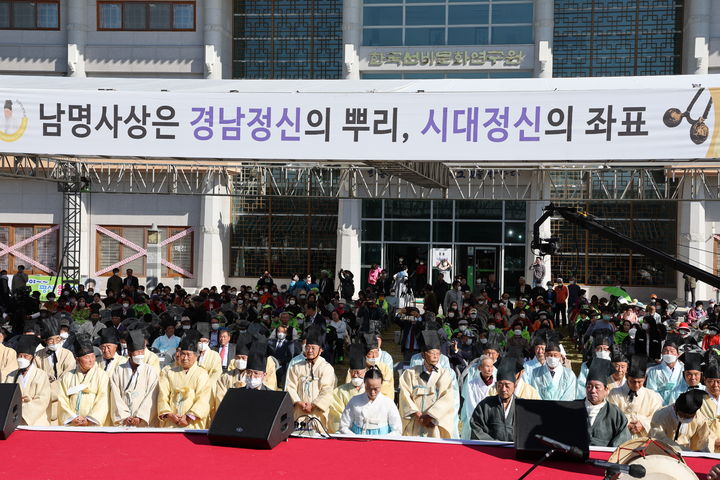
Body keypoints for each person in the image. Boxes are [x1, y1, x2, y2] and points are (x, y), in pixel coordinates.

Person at [398, 330, 456, 438]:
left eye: (438, 353)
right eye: (432, 353)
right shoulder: (410, 373)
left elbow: (447, 398)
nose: (436, 356)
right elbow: (404, 395)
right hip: (415, 422)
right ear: (423, 354)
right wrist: (417, 414)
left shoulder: (444, 374)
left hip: (434, 423)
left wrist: (430, 416)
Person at [285, 326, 336, 429]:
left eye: (313, 348)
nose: (310, 350)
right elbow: (290, 387)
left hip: (317, 413)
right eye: (307, 347)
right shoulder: (296, 366)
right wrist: (299, 402)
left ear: (321, 350)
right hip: (299, 411)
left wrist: (313, 405)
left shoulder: (326, 368)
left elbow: (327, 390)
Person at [157, 336, 211, 429]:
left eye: (188, 354)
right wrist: (169, 414)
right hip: (171, 421)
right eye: (183, 354)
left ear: (196, 356)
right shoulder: (170, 372)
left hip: (192, 423)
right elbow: (163, 394)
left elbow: (203, 399)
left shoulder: (202, 374)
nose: (185, 358)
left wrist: (189, 417)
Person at [57, 334, 110, 426]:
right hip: (73, 423)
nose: (91, 360)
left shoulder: (102, 375)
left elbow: (103, 400)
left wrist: (90, 419)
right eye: (86, 357)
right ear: (77, 359)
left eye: (93, 356)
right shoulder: (68, 376)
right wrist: (72, 418)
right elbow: (62, 400)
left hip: (93, 424)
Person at [109, 329, 159, 427]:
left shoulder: (150, 370)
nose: (140, 355)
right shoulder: (119, 370)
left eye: (142, 352)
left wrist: (140, 417)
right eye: (137, 352)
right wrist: (125, 416)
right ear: (130, 353)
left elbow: (152, 395)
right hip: (124, 420)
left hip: (142, 421)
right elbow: (115, 396)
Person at [608, 355, 663, 439]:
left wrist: (643, 424)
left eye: (640, 382)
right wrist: (627, 424)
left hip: (644, 439)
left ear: (644, 379)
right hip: (620, 437)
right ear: (626, 377)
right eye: (633, 381)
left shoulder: (653, 396)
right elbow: (611, 415)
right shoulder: (614, 394)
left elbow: (657, 417)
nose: (636, 385)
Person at [34, 317, 76, 424]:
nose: (54, 342)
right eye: (51, 340)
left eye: (57, 339)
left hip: (63, 400)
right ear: (45, 341)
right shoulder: (38, 355)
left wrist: (49, 390)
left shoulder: (67, 354)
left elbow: (68, 377)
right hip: (43, 402)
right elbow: (35, 376)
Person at [469, 355, 521, 441]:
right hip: (490, 449)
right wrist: (493, 443)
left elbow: (527, 431)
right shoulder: (485, 405)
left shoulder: (521, 406)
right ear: (496, 386)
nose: (503, 389)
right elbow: (476, 428)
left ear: (514, 386)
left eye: (507, 386)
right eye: (500, 385)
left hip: (515, 450)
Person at [3, 335, 51, 426]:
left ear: (32, 358)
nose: (22, 358)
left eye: (26, 356)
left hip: (35, 420)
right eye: (20, 356)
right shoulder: (11, 375)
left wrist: (23, 413)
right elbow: (6, 396)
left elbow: (42, 400)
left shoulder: (41, 375)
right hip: (13, 419)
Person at [339, 368, 402, 436]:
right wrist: (355, 437)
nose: (372, 392)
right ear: (364, 383)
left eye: (376, 389)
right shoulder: (354, 401)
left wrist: (384, 439)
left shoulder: (388, 403)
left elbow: (397, 430)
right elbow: (343, 426)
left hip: (382, 443)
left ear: (381, 384)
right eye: (368, 388)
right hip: (357, 442)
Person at [584, 358, 630, 447]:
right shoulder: (574, 408)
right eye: (589, 386)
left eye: (597, 387)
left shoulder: (615, 413)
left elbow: (622, 442)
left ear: (606, 390)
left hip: (604, 459)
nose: (593, 391)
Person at [328, 344, 367, 433]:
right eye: (353, 372)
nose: (355, 375)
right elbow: (336, 414)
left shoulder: (370, 390)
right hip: (346, 431)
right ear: (349, 372)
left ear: (365, 371)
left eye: (358, 372)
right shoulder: (339, 391)